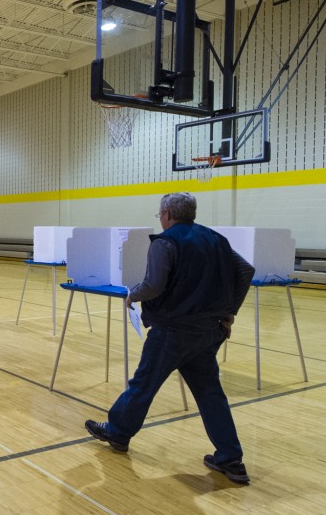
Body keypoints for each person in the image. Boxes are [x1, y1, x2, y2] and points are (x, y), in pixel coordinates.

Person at [84, 192, 255, 484]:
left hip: (173, 330)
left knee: (143, 384)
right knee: (210, 393)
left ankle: (117, 432)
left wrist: (132, 294)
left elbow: (153, 285)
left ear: (166, 215)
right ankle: (231, 458)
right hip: (208, 331)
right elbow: (245, 270)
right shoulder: (216, 239)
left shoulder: (165, 242)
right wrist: (230, 311)